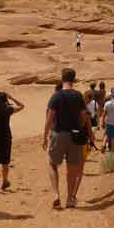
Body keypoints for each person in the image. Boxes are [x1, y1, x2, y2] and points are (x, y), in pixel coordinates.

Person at [43, 68, 91, 209]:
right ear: (74, 79)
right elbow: (84, 115)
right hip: (75, 135)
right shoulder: (78, 95)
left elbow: (49, 118)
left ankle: (56, 194)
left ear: (62, 79)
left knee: (52, 164)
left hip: (59, 134)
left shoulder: (56, 96)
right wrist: (80, 126)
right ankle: (70, 199)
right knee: (72, 169)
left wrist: (45, 136)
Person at [0, 92, 24, 194]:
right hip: (5, 138)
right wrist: (12, 98)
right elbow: (22, 106)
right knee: (5, 162)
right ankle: (4, 181)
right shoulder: (7, 110)